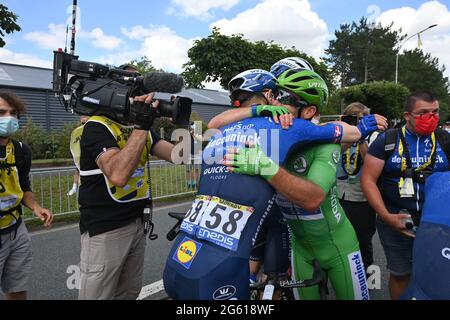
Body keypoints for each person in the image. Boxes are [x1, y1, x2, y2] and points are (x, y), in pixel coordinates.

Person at [163, 68, 384, 300]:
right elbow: (216, 123)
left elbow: (313, 197)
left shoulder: (314, 138)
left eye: (285, 98)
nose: (276, 100)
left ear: (308, 110)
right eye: (275, 94)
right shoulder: (265, 128)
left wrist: (264, 166)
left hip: (337, 245)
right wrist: (258, 109)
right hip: (300, 248)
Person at [76, 92, 179, 300]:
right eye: (138, 95)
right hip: (105, 228)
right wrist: (142, 125)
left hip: (136, 223)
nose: (145, 100)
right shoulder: (97, 126)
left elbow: (180, 156)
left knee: (129, 294)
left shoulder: (141, 129)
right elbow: (118, 175)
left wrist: (181, 123)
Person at [361, 91, 450, 299]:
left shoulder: (445, 140)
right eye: (423, 113)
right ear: (407, 115)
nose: (431, 117)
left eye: (435, 112)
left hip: (438, 227)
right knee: (401, 274)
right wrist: (386, 217)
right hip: (395, 220)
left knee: (437, 274)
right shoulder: (388, 140)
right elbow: (368, 180)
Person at [0, 90, 53, 300]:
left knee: (17, 288)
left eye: (12, 113)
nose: (8, 118)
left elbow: (23, 186)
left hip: (16, 230)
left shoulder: (21, 150)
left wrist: (36, 208)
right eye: (1, 112)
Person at [338, 102, 378, 273]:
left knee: (363, 239)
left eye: (362, 119)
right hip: (339, 194)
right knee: (339, 239)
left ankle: (367, 274)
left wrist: (361, 137)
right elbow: (332, 153)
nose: (358, 123)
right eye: (354, 119)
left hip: (362, 197)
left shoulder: (374, 136)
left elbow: (371, 162)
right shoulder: (338, 134)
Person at [67, 115, 89, 197]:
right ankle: (74, 187)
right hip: (80, 156)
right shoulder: (77, 131)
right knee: (77, 170)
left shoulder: (93, 128)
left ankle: (75, 188)